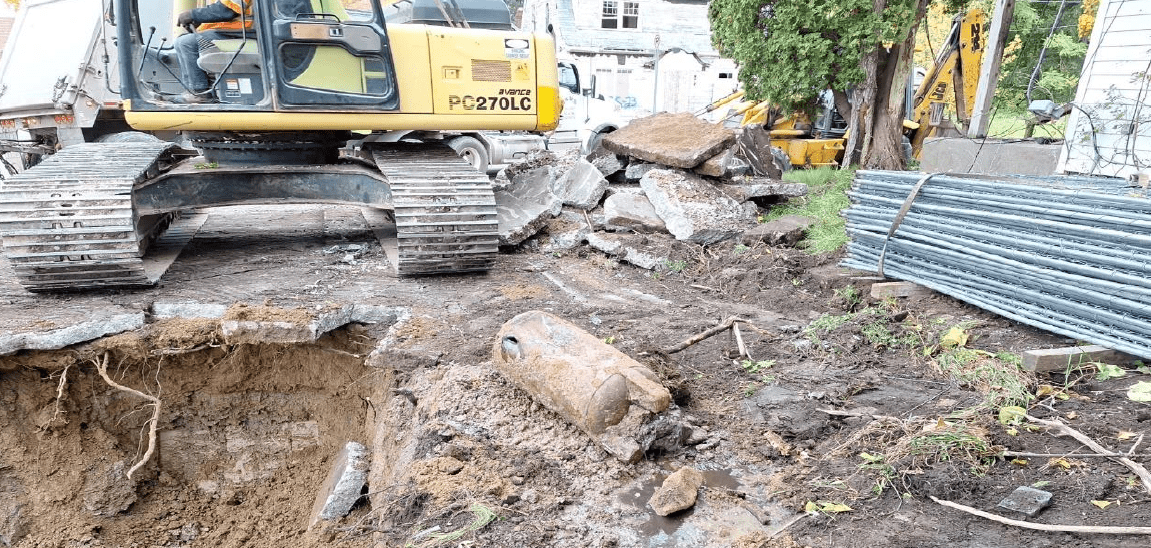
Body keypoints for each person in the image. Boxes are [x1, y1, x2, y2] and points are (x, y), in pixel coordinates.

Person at [173, 0, 255, 101]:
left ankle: (199, 92)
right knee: (180, 41)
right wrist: (201, 20)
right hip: (230, 30)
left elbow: (227, 10)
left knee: (187, 43)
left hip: (245, 31)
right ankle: (192, 90)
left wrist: (193, 15)